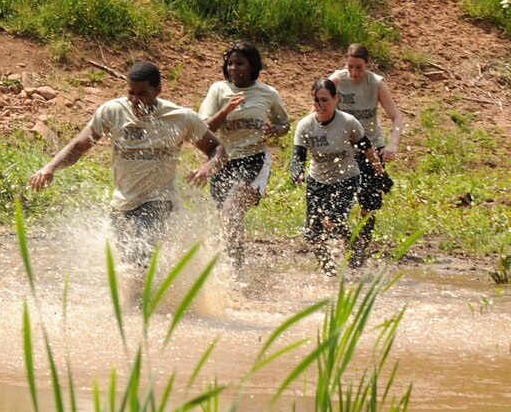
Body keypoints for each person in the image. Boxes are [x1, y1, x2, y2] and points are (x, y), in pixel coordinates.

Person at [28, 61, 221, 267]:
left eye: (142, 94)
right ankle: (146, 296)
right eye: (131, 93)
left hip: (160, 199)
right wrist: (50, 167)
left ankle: (139, 299)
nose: (135, 101)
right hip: (123, 201)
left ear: (158, 90)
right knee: (125, 264)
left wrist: (208, 167)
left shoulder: (181, 117)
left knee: (138, 256)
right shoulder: (113, 111)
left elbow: (217, 149)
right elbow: (79, 145)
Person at [198, 40, 290, 272]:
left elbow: (284, 123)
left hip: (254, 158)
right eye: (229, 64)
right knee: (226, 220)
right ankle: (235, 269)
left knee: (231, 212)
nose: (233, 69)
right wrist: (225, 110)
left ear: (253, 66)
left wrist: (278, 130)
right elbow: (205, 128)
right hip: (222, 160)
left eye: (239, 63)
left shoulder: (268, 93)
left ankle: (236, 273)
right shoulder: (218, 90)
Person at [290, 78, 374, 277]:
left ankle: (353, 245)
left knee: (333, 218)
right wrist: (297, 171)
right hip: (317, 180)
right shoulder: (305, 125)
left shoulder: (348, 122)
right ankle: (329, 270)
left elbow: (367, 148)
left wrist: (380, 173)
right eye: (316, 100)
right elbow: (298, 155)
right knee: (314, 232)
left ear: (336, 98)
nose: (320, 105)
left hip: (346, 178)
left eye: (325, 100)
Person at [329, 44, 403, 267]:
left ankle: (359, 250)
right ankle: (344, 241)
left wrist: (392, 145)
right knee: (336, 202)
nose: (354, 72)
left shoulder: (376, 83)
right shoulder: (337, 80)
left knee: (368, 205)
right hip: (343, 151)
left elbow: (397, 118)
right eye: (350, 67)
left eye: (359, 68)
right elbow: (316, 111)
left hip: (371, 150)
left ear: (367, 65)